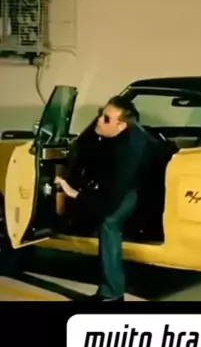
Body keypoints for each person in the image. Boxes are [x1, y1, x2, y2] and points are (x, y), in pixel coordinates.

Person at [55, 95, 172, 302]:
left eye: (106, 118)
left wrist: (75, 194)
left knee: (109, 222)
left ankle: (112, 293)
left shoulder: (129, 149)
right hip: (141, 186)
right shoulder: (117, 137)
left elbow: (111, 198)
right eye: (100, 114)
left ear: (121, 125)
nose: (99, 120)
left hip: (146, 191)